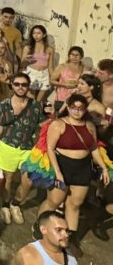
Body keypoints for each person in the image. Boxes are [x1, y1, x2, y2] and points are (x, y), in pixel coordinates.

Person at [38, 93, 110, 249]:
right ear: (68, 107)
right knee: (54, 201)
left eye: (80, 108)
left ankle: (69, 239)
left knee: (75, 204)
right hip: (63, 165)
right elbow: (50, 149)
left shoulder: (90, 126)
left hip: (82, 168)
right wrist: (58, 173)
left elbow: (94, 148)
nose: (77, 111)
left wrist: (104, 168)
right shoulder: (58, 124)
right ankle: (39, 229)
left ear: (85, 109)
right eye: (73, 107)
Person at [0, 72, 45, 225]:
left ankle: (16, 204)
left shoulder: (36, 106)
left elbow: (42, 125)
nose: (20, 87)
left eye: (24, 84)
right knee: (7, 181)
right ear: (12, 85)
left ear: (28, 86)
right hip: (8, 146)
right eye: (17, 84)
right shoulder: (4, 105)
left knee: (28, 182)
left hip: (28, 148)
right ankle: (5, 205)